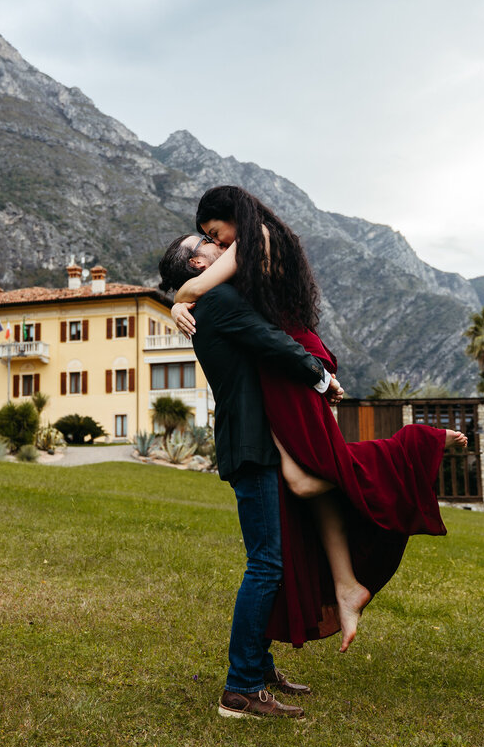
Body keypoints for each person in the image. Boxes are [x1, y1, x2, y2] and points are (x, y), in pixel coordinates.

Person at [163, 185, 466, 654]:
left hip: (292, 356)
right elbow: (209, 294)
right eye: (205, 240)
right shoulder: (232, 274)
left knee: (313, 477)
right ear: (198, 259)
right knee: (305, 488)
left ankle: (410, 445)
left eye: (211, 231)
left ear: (228, 215)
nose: (214, 241)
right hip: (284, 362)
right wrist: (183, 300)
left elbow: (197, 289)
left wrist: (179, 301)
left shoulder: (254, 238)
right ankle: (346, 585)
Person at [157, 233, 341, 720]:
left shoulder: (205, 299)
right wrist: (320, 376)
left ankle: (258, 668)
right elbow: (269, 341)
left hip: (256, 442)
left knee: (269, 561)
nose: (223, 246)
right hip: (253, 446)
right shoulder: (215, 300)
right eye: (211, 243)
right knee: (265, 565)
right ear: (199, 262)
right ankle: (240, 688)